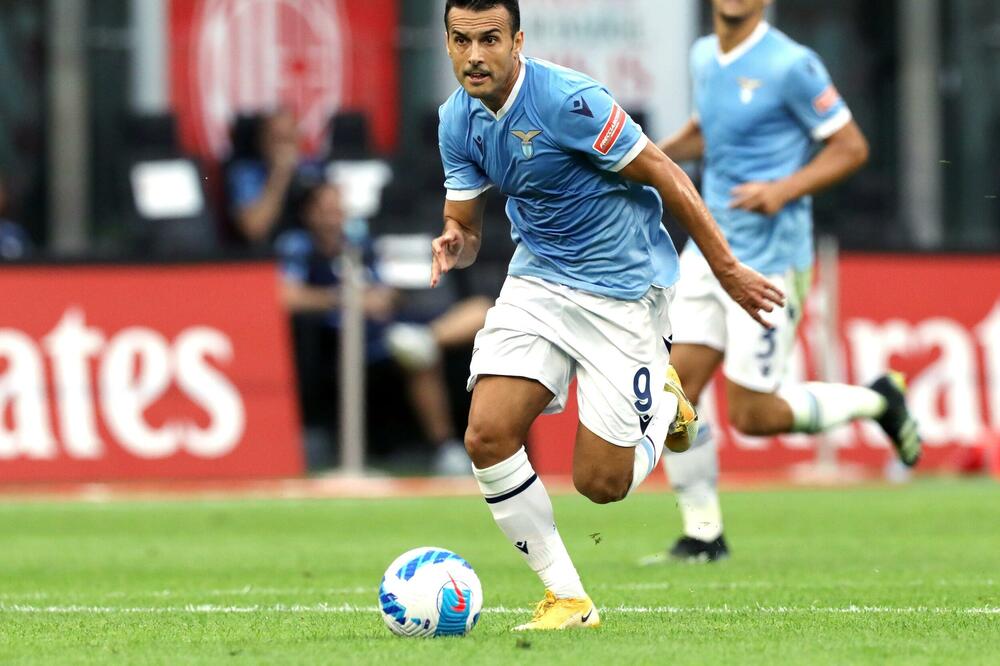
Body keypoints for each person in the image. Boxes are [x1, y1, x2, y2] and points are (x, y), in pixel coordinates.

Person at [432, 0, 783, 631]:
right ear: (448, 42)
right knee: (486, 435)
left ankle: (667, 409)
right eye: (462, 40)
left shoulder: (570, 101)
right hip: (538, 282)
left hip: (623, 292)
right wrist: (456, 240)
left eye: (490, 39)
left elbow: (668, 174)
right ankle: (569, 599)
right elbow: (468, 227)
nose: (475, 56)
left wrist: (728, 270)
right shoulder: (456, 119)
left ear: (518, 41)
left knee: (600, 484)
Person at [647, 0, 922, 564]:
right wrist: (644, 159)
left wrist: (783, 189)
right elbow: (708, 131)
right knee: (674, 395)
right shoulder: (704, 55)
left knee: (753, 415)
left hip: (771, 260)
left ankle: (878, 401)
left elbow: (851, 146)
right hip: (709, 251)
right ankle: (704, 535)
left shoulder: (793, 65)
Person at [277, 183, 489, 475]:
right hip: (345, 337)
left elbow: (386, 287)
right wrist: (348, 299)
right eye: (326, 210)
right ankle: (444, 447)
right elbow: (286, 296)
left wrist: (385, 296)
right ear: (309, 213)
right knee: (418, 359)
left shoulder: (359, 242)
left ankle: (425, 338)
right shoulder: (299, 246)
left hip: (390, 325)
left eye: (338, 209)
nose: (334, 217)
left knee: (482, 309)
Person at [227, 108, 326, 247]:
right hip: (268, 254)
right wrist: (279, 173)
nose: (284, 147)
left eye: (289, 138)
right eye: (278, 139)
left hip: (310, 251)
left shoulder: (314, 169)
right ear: (261, 141)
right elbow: (253, 229)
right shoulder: (245, 173)